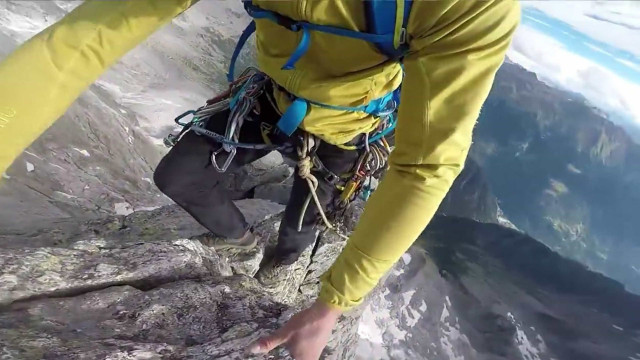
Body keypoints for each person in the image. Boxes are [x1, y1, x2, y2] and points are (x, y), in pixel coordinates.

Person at [0, 1, 520, 359]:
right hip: (270, 99)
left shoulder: (462, 7)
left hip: (347, 133)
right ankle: (242, 241)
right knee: (179, 175)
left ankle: (279, 265)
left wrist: (332, 304)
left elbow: (426, 163)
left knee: (296, 239)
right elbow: (77, 43)